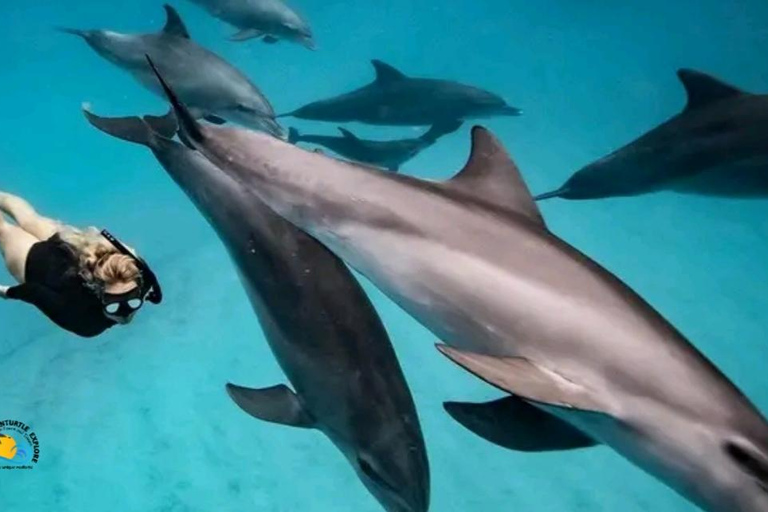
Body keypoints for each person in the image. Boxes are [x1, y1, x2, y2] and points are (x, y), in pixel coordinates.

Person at [0, 192, 162, 338]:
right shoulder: (87, 324)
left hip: (72, 245)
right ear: (99, 294)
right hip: (36, 263)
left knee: (28, 219)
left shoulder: (144, 279)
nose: (125, 313)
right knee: (4, 229)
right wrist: (6, 293)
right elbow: (33, 291)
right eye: (114, 306)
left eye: (133, 302)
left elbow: (130, 253)